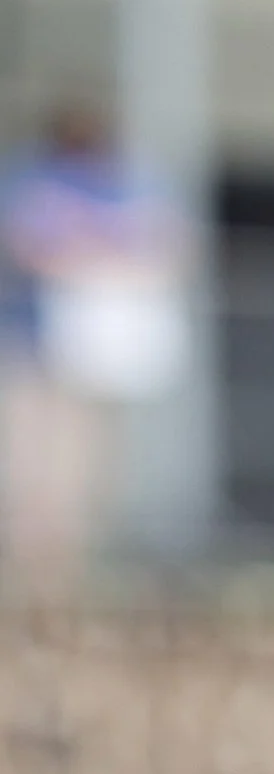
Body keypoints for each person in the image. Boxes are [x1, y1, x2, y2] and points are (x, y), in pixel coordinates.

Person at [0, 101, 186, 600]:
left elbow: (168, 245)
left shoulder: (127, 182)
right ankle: (29, 576)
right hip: (33, 350)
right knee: (30, 469)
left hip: (95, 360)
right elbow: (26, 242)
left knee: (84, 470)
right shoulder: (32, 179)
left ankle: (66, 575)